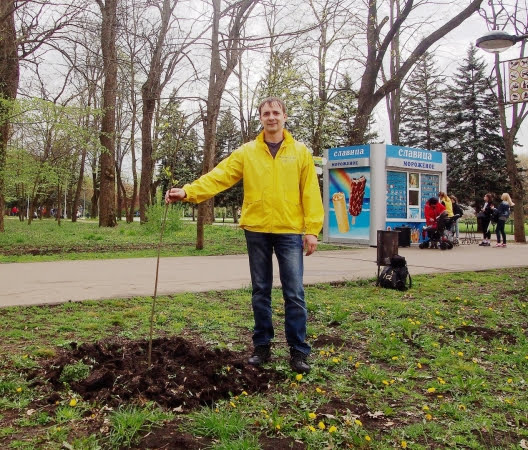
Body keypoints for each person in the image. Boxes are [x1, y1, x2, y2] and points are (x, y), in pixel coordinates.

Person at [165, 97, 324, 373]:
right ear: (260, 118)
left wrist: (312, 230)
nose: (271, 117)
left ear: (285, 117)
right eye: (266, 113)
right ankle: (262, 348)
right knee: (260, 292)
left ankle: (299, 352)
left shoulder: (300, 152)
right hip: (257, 230)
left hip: (289, 231)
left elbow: (310, 192)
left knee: (294, 294)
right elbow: (220, 176)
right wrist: (188, 191)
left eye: (276, 113)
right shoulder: (248, 152)